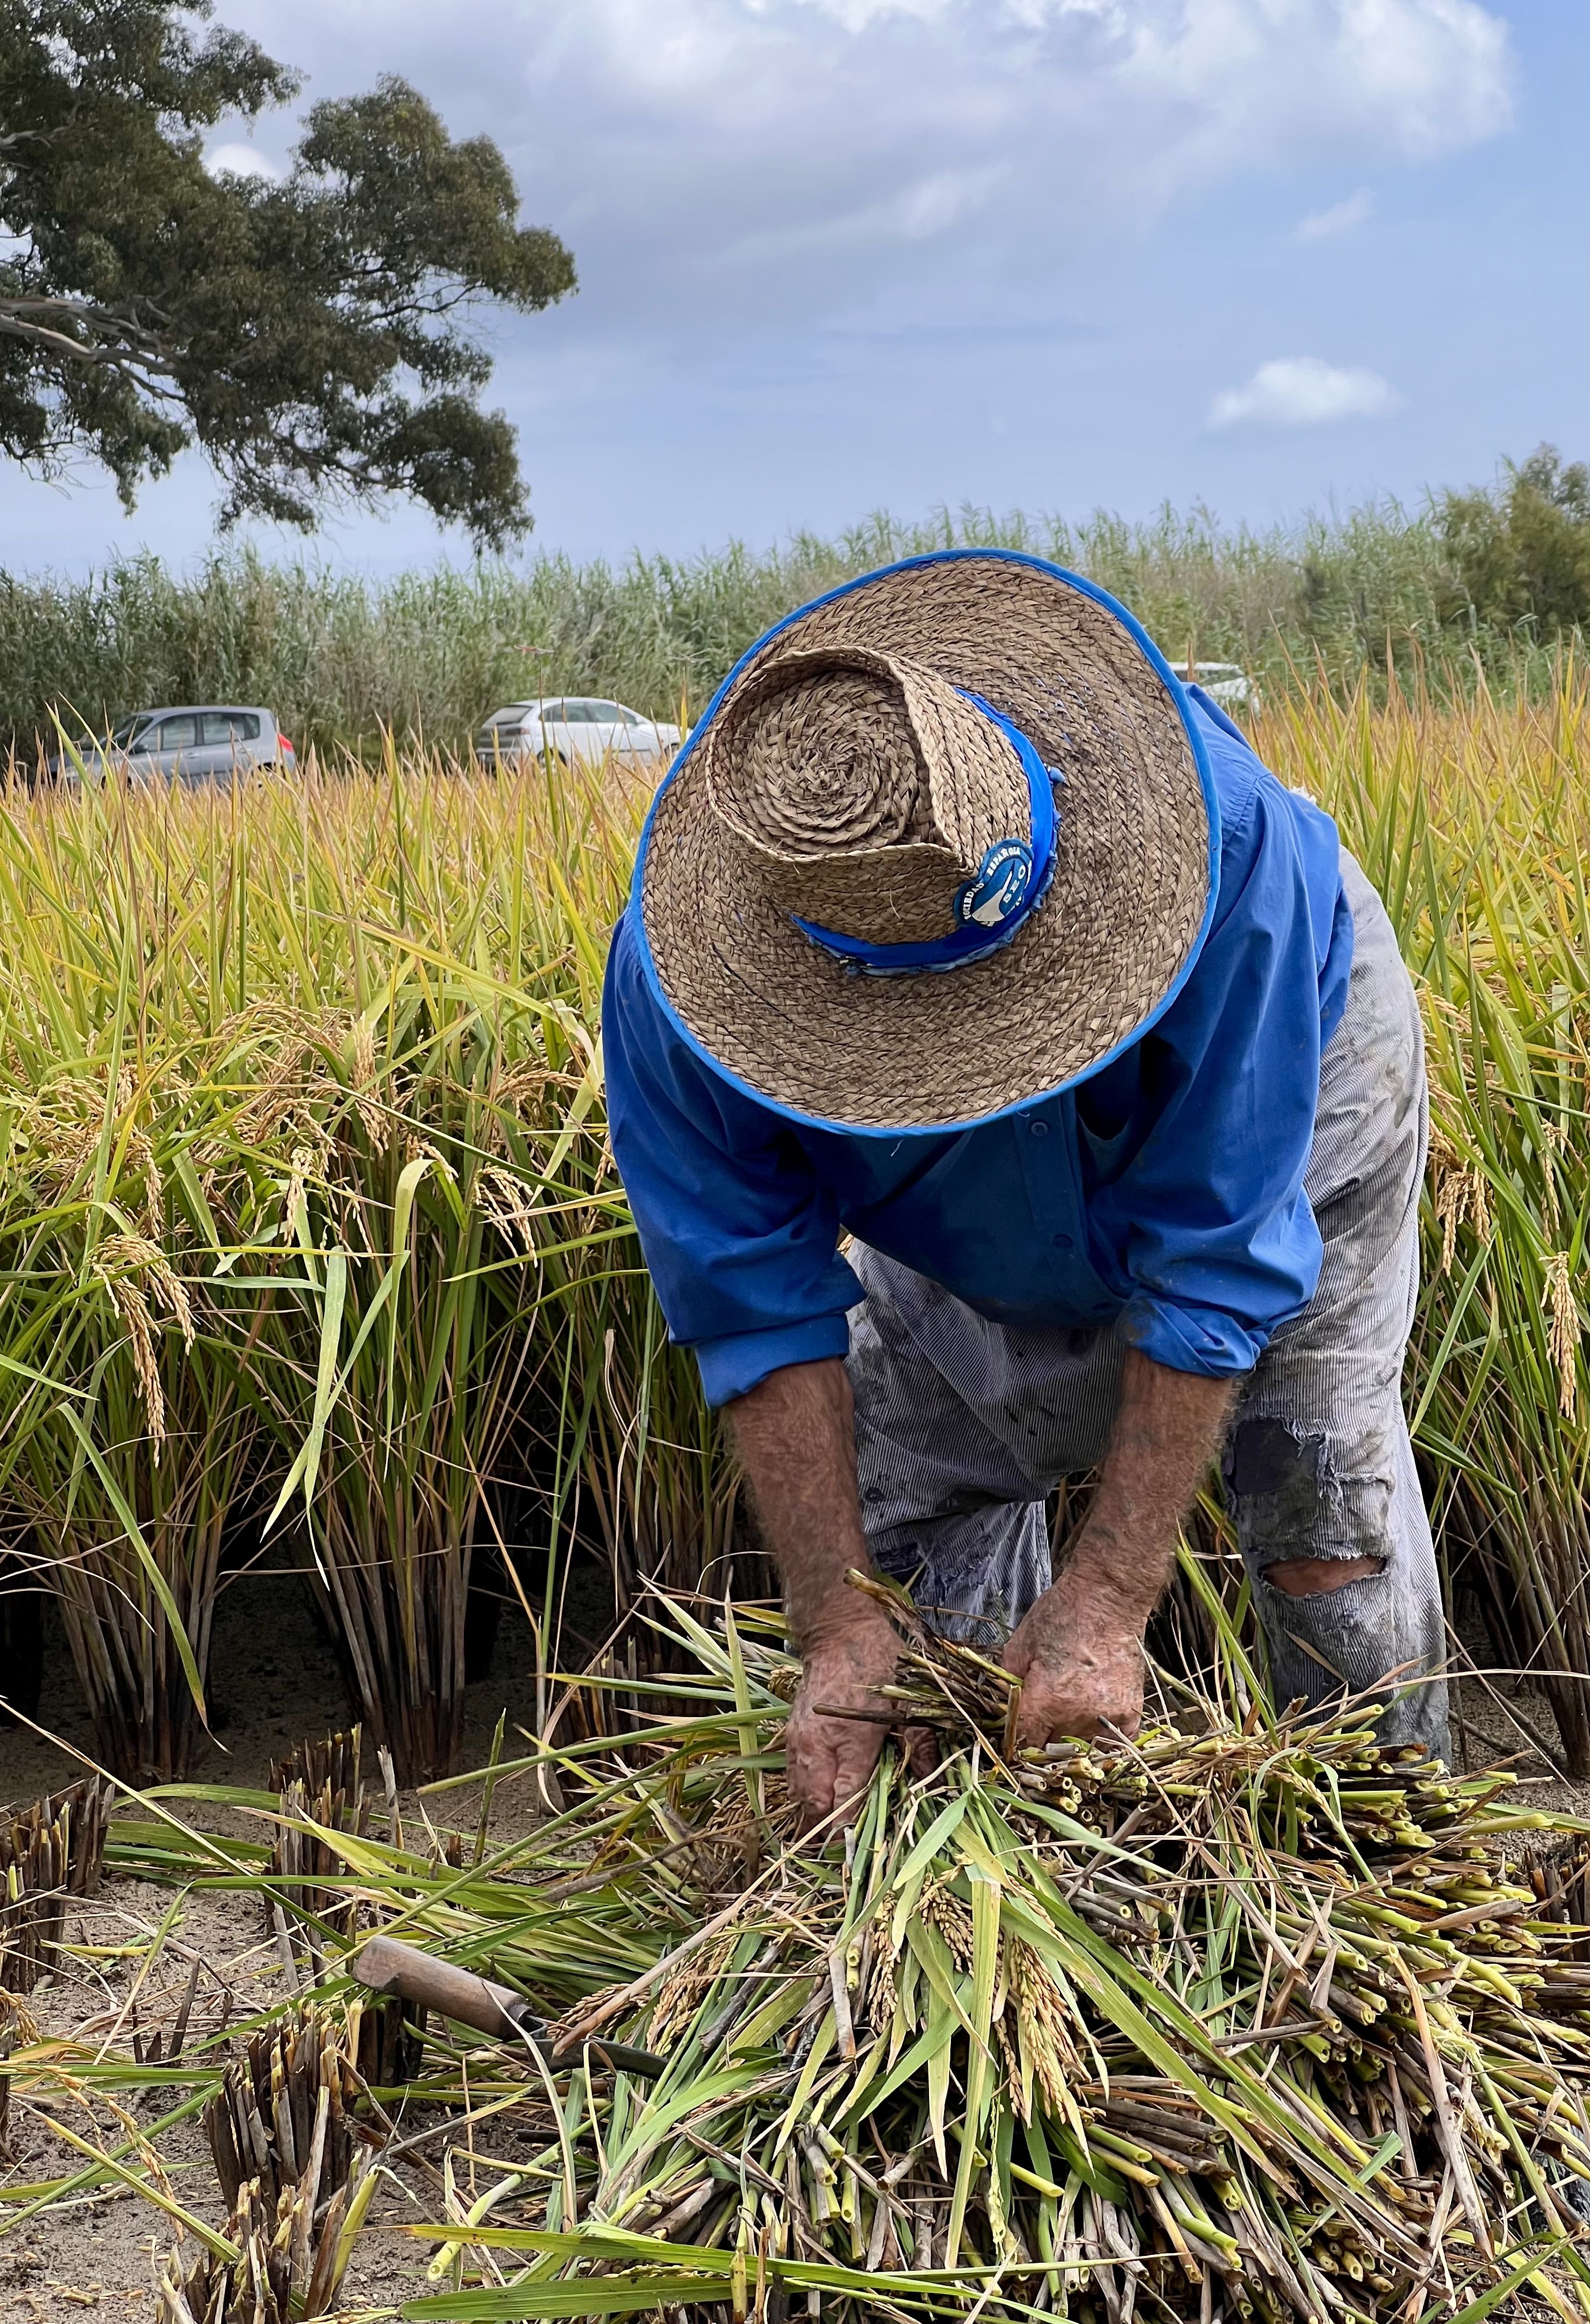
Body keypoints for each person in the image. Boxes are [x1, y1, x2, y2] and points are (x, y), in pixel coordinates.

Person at [602, 551, 1448, 1820]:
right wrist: (837, 1621)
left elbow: (1217, 1254)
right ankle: (998, 1921)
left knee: (1311, 1478)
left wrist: (1108, 1600)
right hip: (945, 1198)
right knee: (914, 1565)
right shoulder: (687, 998)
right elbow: (751, 1303)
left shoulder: (1228, 853)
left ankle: (1398, 1871)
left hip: (1297, 1069)